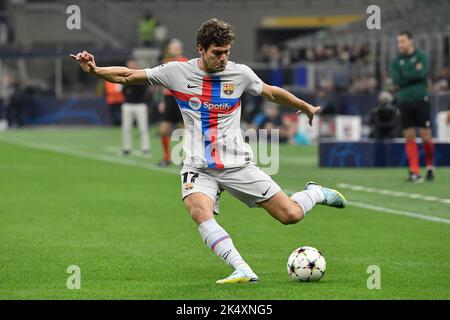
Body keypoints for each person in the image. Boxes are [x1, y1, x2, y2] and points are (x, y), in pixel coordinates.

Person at [70, 18, 346, 284]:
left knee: (290, 216)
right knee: (199, 211)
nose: (223, 58)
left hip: (236, 164)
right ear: (201, 49)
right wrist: (95, 71)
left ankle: (315, 192)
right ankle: (242, 269)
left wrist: (303, 105)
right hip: (197, 165)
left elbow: (271, 92)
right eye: (217, 53)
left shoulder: (239, 74)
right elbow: (129, 76)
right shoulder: (176, 72)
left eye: (226, 52)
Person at [390, 31, 434, 182]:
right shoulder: (397, 61)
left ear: (411, 41)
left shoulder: (422, 56)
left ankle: (429, 166)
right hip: (404, 101)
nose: (400, 44)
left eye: (402, 41)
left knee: (426, 136)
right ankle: (415, 171)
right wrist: (413, 72)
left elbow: (421, 74)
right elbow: (396, 79)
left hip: (421, 99)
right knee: (409, 136)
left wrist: (406, 75)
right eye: (398, 42)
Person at [158, 39, 189, 167]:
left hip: (181, 98)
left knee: (184, 130)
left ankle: (185, 158)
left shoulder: (186, 63)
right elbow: (161, 83)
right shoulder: (165, 62)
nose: (173, 49)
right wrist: (161, 100)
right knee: (164, 129)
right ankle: (166, 157)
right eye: (171, 47)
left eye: (175, 47)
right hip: (169, 99)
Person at [121, 59, 151, 156]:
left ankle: (145, 148)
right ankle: (126, 148)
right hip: (128, 104)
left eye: (133, 63)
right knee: (126, 127)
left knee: (143, 127)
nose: (131, 65)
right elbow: (123, 90)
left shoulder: (140, 74)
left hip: (140, 104)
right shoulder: (125, 75)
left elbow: (145, 90)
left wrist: (145, 103)